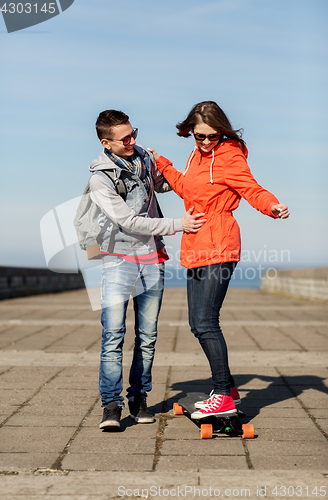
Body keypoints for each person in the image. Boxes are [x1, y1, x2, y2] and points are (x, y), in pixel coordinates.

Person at [148, 101, 289, 419]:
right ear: (192, 132)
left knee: (207, 322)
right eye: (200, 136)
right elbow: (186, 189)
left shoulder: (229, 154)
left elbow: (251, 189)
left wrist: (272, 206)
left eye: (212, 136)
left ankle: (223, 395)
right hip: (195, 245)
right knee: (196, 323)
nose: (207, 142)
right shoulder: (196, 154)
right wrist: (162, 163)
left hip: (220, 244)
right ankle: (230, 387)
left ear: (221, 131)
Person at [88, 110, 205, 430]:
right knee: (113, 335)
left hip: (152, 260)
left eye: (134, 133)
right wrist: (178, 225)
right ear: (106, 143)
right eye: (125, 138)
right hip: (118, 260)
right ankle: (110, 405)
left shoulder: (143, 158)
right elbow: (128, 221)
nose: (133, 141)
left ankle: (138, 398)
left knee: (147, 337)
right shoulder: (100, 178)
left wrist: (174, 169)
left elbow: (160, 185)